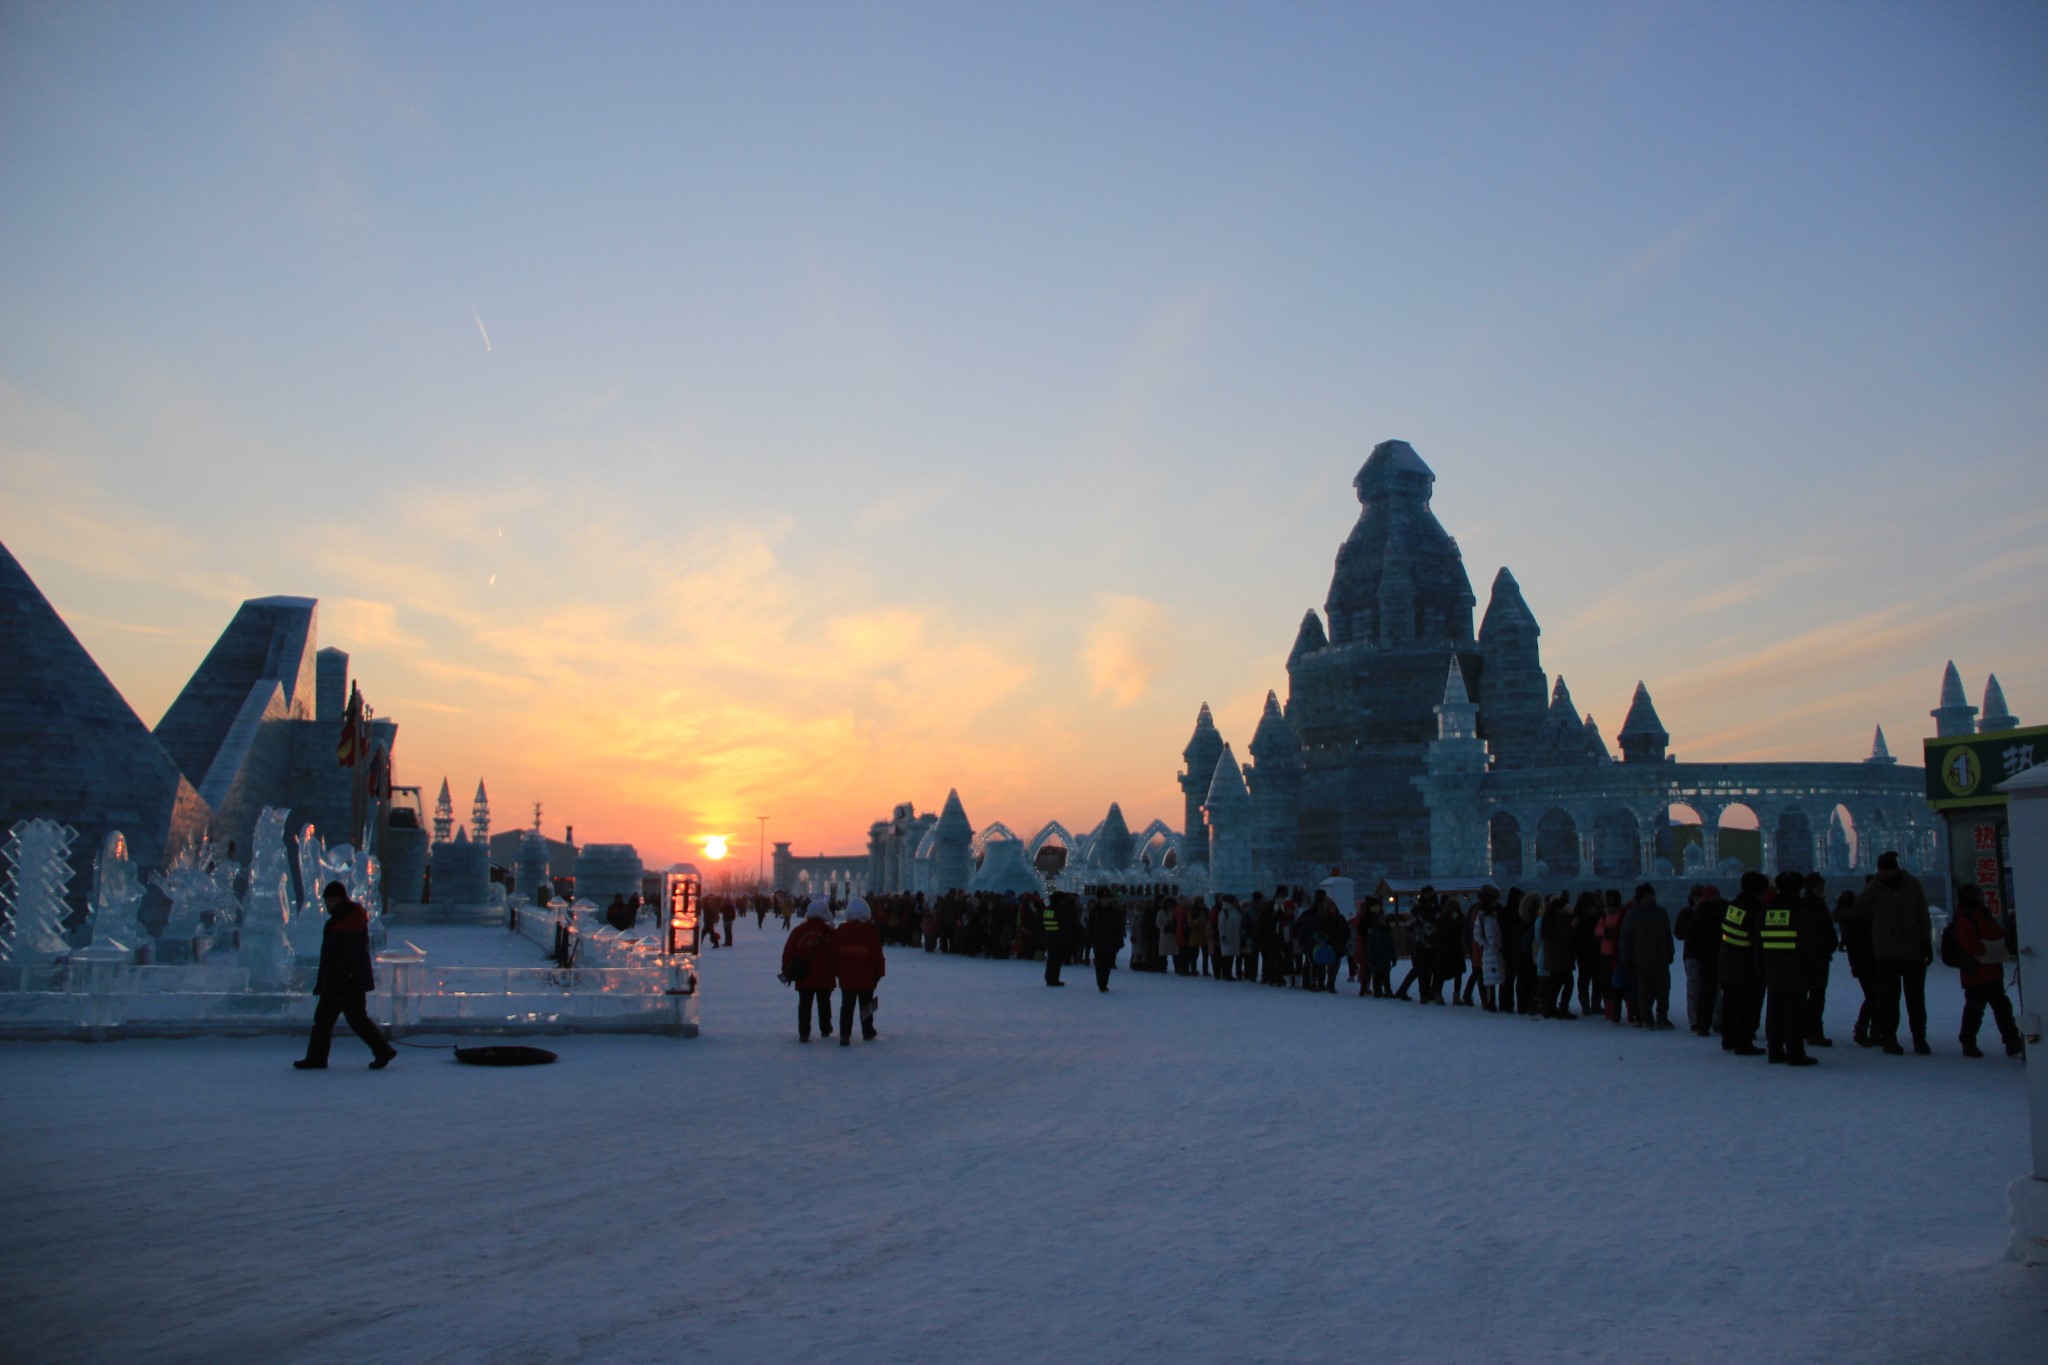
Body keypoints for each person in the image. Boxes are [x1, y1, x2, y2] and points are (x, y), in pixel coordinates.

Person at [295, 880, 397, 1070]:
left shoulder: (349, 920)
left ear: (337, 899)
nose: (326, 904)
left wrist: (338, 979)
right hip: (340, 981)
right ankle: (317, 1058)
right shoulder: (341, 919)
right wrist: (323, 981)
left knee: (353, 1020)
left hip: (347, 982)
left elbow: (348, 955)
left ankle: (382, 1050)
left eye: (328, 900)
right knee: (329, 1020)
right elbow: (330, 957)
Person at [1851, 851, 1934, 1056]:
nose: (1883, 874)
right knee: (1889, 999)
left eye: (1887, 870)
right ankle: (1889, 1038)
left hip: (1912, 950)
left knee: (1915, 999)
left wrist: (1925, 942)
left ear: (1896, 869)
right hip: (1885, 953)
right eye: (1881, 870)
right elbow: (1857, 908)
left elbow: (1923, 914)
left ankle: (1919, 1037)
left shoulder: (1912, 885)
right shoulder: (1874, 887)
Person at [1949, 883, 2023, 1058]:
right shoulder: (1976, 916)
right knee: (1993, 1007)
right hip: (1981, 970)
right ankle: (2009, 1041)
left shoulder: (1969, 916)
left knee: (1980, 1008)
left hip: (1979, 970)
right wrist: (1995, 950)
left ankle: (1971, 1042)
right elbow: (1981, 943)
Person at [1762, 871, 1815, 1066]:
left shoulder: (1768, 911)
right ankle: (1795, 1052)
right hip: (1796, 970)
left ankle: (1774, 1050)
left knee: (1774, 1010)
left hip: (1773, 969)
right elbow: (1811, 943)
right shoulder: (1800, 911)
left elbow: (1758, 940)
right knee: (1794, 1012)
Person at [1717, 872, 1768, 1057]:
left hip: (1728, 963)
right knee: (1747, 1006)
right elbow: (1757, 942)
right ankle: (1744, 1042)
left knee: (1730, 1004)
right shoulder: (1755, 911)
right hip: (1747, 966)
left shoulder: (1733, 906)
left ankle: (1728, 1038)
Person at [782, 896, 838, 1042]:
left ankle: (804, 1032)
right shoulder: (830, 933)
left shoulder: (799, 931)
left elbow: (788, 952)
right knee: (824, 1004)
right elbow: (836, 955)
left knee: (805, 1005)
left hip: (803, 975)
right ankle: (825, 1029)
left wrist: (786, 971)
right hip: (825, 976)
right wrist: (838, 972)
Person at [1619, 883, 1674, 1029]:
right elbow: (1625, 937)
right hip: (1641, 959)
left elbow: (1668, 934)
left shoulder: (1661, 912)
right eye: (1647, 895)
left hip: (1660, 957)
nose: (1650, 898)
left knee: (1664, 989)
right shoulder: (1632, 914)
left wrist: (1670, 951)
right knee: (1644, 991)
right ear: (1640, 898)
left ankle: (1662, 1017)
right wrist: (1626, 956)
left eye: (1651, 895)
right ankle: (1646, 1017)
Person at [1795, 873, 1839, 1048]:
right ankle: (1813, 1031)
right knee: (1816, 996)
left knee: (1813, 996)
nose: (1822, 888)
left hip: (1816, 957)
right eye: (1819, 886)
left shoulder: (1810, 904)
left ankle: (1807, 1029)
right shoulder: (1814, 906)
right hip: (1816, 958)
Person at [833, 897, 885, 1045]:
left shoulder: (841, 931)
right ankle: (867, 1030)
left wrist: (838, 972)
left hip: (847, 976)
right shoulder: (870, 931)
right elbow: (877, 954)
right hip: (866, 976)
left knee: (847, 1006)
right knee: (866, 1004)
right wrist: (879, 972)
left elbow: (834, 955)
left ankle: (845, 1034)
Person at [1087, 895, 1125, 992]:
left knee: (1107, 964)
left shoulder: (1114, 912)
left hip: (1110, 941)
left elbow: (1118, 927)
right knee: (1100, 964)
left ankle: (1104, 982)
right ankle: (1101, 983)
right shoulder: (1095, 912)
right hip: (1098, 941)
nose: (1105, 901)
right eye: (1103, 899)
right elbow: (1090, 927)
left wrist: (1119, 941)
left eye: (1107, 899)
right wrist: (1089, 939)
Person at [1043, 893, 1070, 987]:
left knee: (1051, 959)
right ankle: (1054, 979)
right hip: (1058, 938)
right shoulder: (1060, 910)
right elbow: (1064, 926)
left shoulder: (1047, 909)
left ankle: (1049, 977)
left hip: (1049, 937)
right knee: (1056, 960)